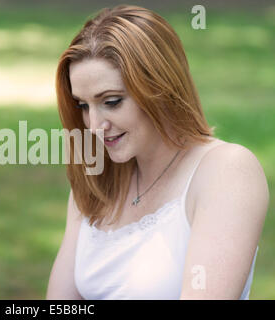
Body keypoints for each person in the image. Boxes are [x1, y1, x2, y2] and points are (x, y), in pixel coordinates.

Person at [46, 4, 269, 299]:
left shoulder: (226, 171)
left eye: (111, 101)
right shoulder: (96, 181)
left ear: (160, 89)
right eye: (83, 106)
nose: (95, 126)